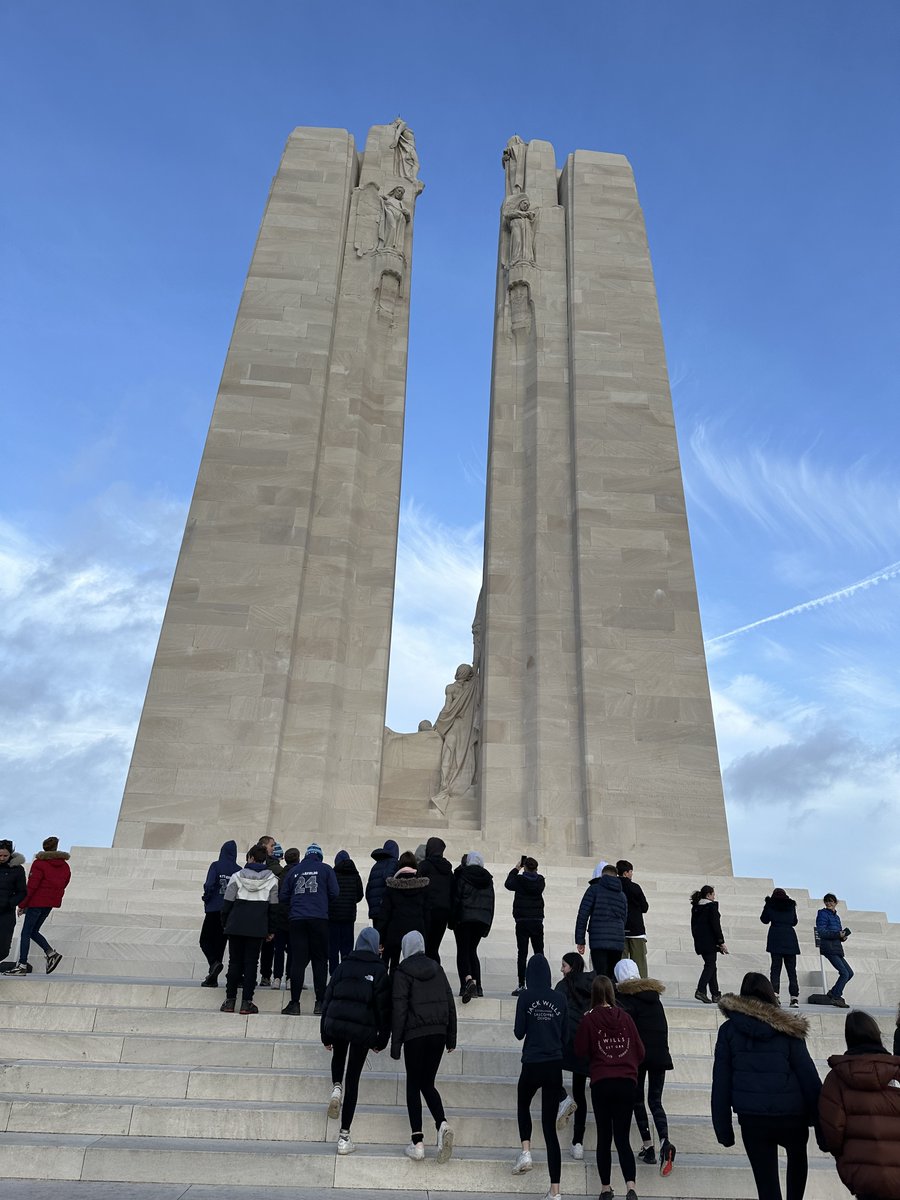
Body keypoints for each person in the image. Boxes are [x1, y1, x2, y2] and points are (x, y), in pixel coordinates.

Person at [711, 972, 823, 1200]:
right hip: (792, 1114)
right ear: (770, 994)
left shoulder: (729, 1030)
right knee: (798, 1159)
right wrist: (821, 1125)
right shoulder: (788, 1028)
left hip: (753, 1118)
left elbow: (721, 1081)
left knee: (766, 1185)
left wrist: (723, 1128)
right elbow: (808, 1076)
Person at [320, 926, 391, 1156]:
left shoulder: (343, 965)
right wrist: (382, 1039)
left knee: (338, 1056)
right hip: (362, 1029)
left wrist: (325, 1033)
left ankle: (335, 1087)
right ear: (375, 945)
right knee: (354, 1078)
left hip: (338, 1023)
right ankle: (344, 1136)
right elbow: (384, 1009)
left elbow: (328, 997)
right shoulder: (380, 971)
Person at [574, 973, 644, 1200]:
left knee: (604, 1137)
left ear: (593, 994)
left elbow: (580, 1050)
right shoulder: (625, 1017)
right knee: (622, 1137)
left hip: (602, 1081)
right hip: (626, 1082)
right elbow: (640, 1052)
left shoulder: (589, 1019)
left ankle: (605, 1188)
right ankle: (631, 1187)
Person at [819, 1009, 900, 1200]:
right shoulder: (896, 1071)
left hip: (862, 1171)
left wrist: (843, 1156)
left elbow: (832, 1129)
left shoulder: (836, 1078)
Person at [390, 930, 456, 1163]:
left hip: (415, 1035)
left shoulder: (402, 971)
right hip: (438, 1033)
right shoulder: (437, 968)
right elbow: (449, 1002)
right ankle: (442, 1123)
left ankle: (418, 1141)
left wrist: (395, 1043)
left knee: (413, 1085)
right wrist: (451, 1037)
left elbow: (399, 1008)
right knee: (427, 1083)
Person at [614, 958, 676, 1176]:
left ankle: (649, 1146)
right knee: (656, 1101)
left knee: (637, 1100)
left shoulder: (625, 999)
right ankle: (665, 1141)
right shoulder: (654, 998)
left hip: (638, 1057)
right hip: (660, 1055)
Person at [511, 953, 566, 1198]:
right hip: (554, 1064)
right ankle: (555, 1191)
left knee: (523, 1105)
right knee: (550, 1129)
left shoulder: (525, 997)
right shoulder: (560, 998)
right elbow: (565, 1038)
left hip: (532, 1062)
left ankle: (526, 1152)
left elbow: (518, 1033)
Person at [219, 844, 279, 1015]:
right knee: (252, 964)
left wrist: (225, 924)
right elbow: (274, 908)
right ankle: (247, 1002)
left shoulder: (236, 876)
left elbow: (227, 903)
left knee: (234, 962)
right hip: (257, 926)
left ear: (251, 857)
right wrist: (271, 930)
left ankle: (230, 1001)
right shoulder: (272, 880)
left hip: (236, 925)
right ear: (264, 859)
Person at [280, 843, 339, 1016]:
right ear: (319, 856)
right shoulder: (326, 869)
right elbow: (335, 892)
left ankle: (294, 1003)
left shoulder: (293, 870)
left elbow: (283, 896)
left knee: (298, 961)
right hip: (319, 918)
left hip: (297, 919)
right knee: (320, 961)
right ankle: (319, 1002)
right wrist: (321, 901)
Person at [9, 836, 71, 976]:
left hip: (37, 902)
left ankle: (22, 965)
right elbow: (64, 883)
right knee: (33, 931)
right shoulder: (65, 866)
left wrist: (23, 904)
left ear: (44, 848)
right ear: (56, 848)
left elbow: (32, 886)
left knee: (26, 932)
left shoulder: (40, 863)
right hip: (49, 904)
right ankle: (50, 953)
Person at [554, 951, 593, 1161]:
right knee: (580, 1093)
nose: (561, 969)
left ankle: (562, 1098)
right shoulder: (591, 985)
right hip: (584, 1044)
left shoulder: (562, 986)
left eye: (564, 965)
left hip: (564, 1041)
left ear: (572, 967)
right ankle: (578, 1142)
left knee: (549, 1071)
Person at [375, 851, 430, 973]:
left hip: (394, 931)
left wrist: (380, 939)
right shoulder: (423, 887)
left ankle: (391, 988)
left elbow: (385, 914)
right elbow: (427, 913)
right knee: (415, 965)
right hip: (416, 931)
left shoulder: (391, 886)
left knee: (392, 963)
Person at [451, 850, 494, 1001]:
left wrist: (452, 920)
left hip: (464, 918)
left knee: (463, 951)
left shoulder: (463, 874)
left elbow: (457, 898)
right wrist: (487, 923)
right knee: (472, 950)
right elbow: (491, 903)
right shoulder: (488, 878)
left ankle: (467, 983)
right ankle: (478, 986)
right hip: (481, 919)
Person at [575, 863, 627, 980]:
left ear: (602, 876)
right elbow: (624, 918)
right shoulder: (622, 895)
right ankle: (610, 997)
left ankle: (600, 998)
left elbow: (583, 915)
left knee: (599, 976)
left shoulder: (594, 890)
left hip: (598, 939)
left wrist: (580, 940)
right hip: (617, 940)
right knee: (611, 977)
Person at [199, 839, 238, 987]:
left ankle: (213, 964)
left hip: (214, 908)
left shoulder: (216, 865)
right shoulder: (238, 869)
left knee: (205, 941)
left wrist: (207, 898)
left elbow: (209, 884)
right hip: (229, 911)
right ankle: (213, 977)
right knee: (220, 944)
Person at [505, 856, 545, 995]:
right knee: (539, 953)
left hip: (522, 921)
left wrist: (517, 868)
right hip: (537, 921)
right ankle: (542, 983)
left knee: (522, 954)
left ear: (525, 867)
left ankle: (522, 984)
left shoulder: (519, 880)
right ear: (536, 868)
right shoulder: (540, 881)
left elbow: (507, 884)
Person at [760, 888, 801, 1007]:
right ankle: (794, 998)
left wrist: (767, 906)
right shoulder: (791, 905)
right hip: (790, 938)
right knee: (792, 970)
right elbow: (794, 922)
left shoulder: (770, 904)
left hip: (776, 938)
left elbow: (764, 919)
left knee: (776, 969)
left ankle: (775, 995)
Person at [418, 836, 454, 963]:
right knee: (434, 948)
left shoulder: (424, 866)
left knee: (426, 947)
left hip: (428, 910)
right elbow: (452, 892)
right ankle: (435, 978)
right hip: (443, 912)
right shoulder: (448, 869)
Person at [328, 850, 364, 976]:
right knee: (347, 948)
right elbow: (360, 895)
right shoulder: (355, 875)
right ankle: (346, 973)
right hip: (349, 916)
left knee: (333, 948)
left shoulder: (332, 874)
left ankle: (333, 974)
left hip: (333, 916)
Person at [816, 893, 854, 1008]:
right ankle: (836, 997)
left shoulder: (836, 917)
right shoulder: (822, 914)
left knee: (850, 973)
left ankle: (833, 992)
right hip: (828, 947)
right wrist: (837, 934)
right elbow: (821, 932)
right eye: (827, 901)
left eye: (831, 901)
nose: (829, 903)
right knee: (844, 973)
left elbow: (838, 933)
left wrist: (843, 937)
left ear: (835, 903)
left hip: (837, 948)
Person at [691, 884, 728, 1003]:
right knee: (710, 966)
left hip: (701, 942)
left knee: (712, 966)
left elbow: (694, 927)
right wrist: (721, 942)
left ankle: (715, 994)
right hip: (710, 942)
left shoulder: (696, 908)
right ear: (708, 895)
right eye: (713, 894)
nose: (714, 896)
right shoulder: (711, 907)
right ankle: (701, 990)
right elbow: (716, 926)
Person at [616, 860, 650, 979]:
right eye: (631, 872)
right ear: (626, 873)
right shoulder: (635, 887)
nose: (631, 874)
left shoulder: (614, 887)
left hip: (619, 929)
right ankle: (642, 990)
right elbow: (645, 907)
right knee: (639, 963)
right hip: (636, 930)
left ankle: (621, 989)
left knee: (622, 963)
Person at [0, 841, 27, 966]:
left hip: (6, 912)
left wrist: (10, 903)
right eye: (0, 855)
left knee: (3, 947)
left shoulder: (17, 869)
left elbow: (22, 891)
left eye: (5, 856)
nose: (2, 858)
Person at [365, 839, 399, 923]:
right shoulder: (393, 862)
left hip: (375, 909)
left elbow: (368, 889)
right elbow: (389, 879)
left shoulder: (376, 865)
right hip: (385, 909)